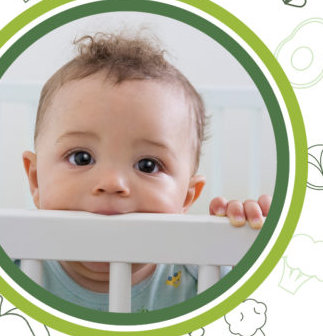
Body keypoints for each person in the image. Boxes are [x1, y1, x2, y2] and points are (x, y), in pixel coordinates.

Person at [22, 32, 271, 312]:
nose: (112, 183)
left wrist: (247, 253)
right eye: (81, 158)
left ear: (187, 198)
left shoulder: (206, 276)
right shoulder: (12, 270)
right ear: (35, 180)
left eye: (147, 165)